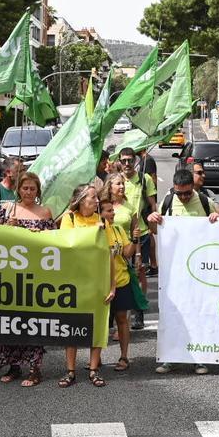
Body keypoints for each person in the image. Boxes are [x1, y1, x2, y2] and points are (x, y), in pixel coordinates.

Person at [150, 170, 219, 377]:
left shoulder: (203, 201)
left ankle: (199, 359)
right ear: (174, 189)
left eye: (187, 193)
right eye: (179, 194)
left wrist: (216, 217)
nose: (183, 197)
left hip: (199, 270)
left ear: (193, 188)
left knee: (198, 313)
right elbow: (156, 230)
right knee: (172, 314)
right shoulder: (167, 202)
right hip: (173, 271)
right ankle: (170, 358)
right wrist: (152, 219)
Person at [0, 173, 55, 387]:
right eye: (25, 188)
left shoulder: (45, 211)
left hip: (36, 274)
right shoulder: (6, 210)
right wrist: (7, 227)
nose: (28, 192)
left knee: (33, 320)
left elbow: (54, 242)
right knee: (10, 320)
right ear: (18, 189)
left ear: (38, 191)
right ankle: (13, 366)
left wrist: (38, 234)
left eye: (32, 188)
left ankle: (34, 367)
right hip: (10, 273)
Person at [58, 185, 111, 388]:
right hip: (74, 280)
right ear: (81, 200)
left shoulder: (103, 221)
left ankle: (93, 369)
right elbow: (67, 245)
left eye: (97, 197)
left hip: (97, 280)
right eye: (92, 197)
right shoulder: (69, 218)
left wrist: (112, 286)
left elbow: (110, 255)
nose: (96, 201)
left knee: (96, 324)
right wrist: (91, 234)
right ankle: (70, 370)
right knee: (71, 325)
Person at [118, 148, 156, 329]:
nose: (127, 164)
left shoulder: (144, 179)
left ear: (135, 161)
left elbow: (152, 204)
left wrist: (155, 223)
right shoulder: (115, 180)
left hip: (141, 233)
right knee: (121, 274)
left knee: (140, 271)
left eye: (130, 160)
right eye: (123, 160)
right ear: (119, 161)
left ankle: (138, 311)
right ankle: (120, 313)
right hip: (119, 236)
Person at [99, 195, 136, 374]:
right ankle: (95, 359)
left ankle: (124, 356)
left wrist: (134, 239)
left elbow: (128, 252)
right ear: (99, 213)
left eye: (113, 210)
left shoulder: (118, 230)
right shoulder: (95, 231)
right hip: (100, 283)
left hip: (121, 280)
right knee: (100, 322)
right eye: (108, 211)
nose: (113, 213)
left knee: (122, 319)